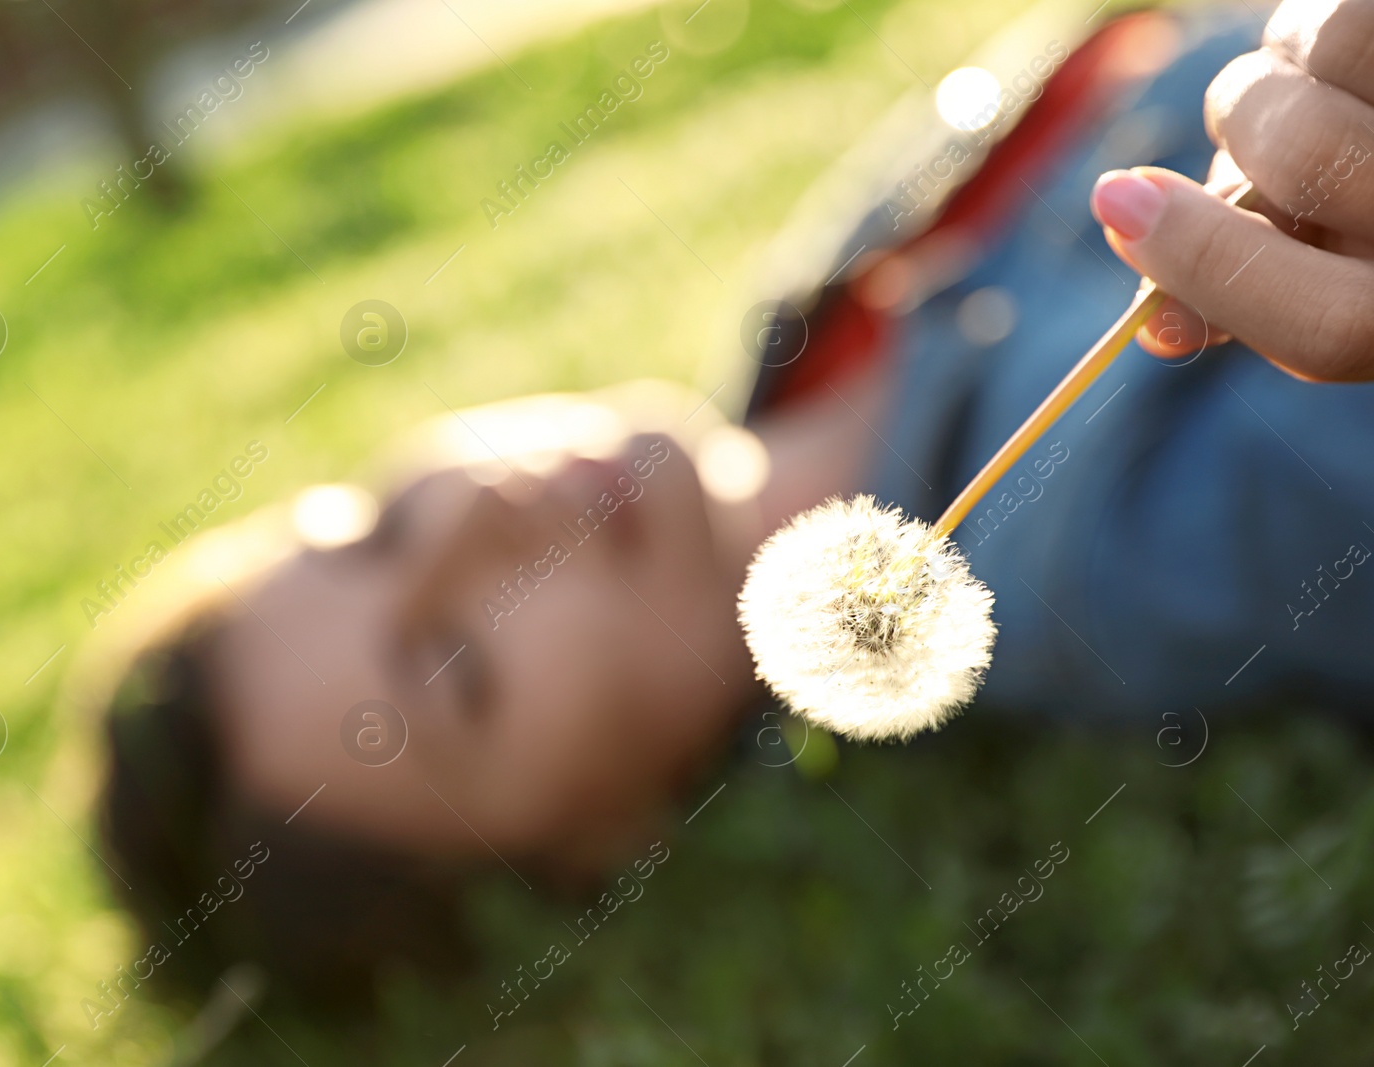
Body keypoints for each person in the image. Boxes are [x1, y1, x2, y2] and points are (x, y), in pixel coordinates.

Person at [88, 0, 1374, 1011]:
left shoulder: (812, 304)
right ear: (603, 842)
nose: (483, 513)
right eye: (459, 663)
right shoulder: (1119, 561)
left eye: (375, 526)